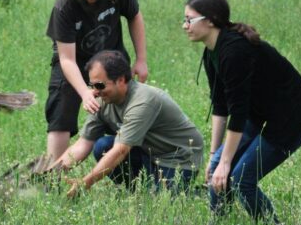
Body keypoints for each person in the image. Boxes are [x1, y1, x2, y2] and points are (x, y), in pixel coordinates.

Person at [183, 0, 301, 225]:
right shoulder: (212, 51)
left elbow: (238, 112)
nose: (184, 25)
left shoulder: (235, 52)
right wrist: (217, 156)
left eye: (189, 19)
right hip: (261, 114)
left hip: (295, 117)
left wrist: (226, 164)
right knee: (217, 167)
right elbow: (220, 105)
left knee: (240, 180)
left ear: (211, 20)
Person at [52, 50, 203, 198]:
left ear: (121, 80)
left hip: (178, 158)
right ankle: (136, 191)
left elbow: (121, 151)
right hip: (147, 152)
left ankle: (198, 194)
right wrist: (51, 175)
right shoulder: (101, 99)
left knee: (162, 205)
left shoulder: (143, 101)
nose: (94, 91)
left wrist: (85, 182)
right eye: (91, 85)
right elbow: (83, 144)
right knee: (103, 146)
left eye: (99, 85)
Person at [45, 0, 148, 161]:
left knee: (122, 108)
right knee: (60, 114)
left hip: (109, 56)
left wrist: (141, 59)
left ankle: (132, 164)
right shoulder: (65, 4)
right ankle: (52, 178)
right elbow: (67, 59)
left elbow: (134, 16)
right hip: (73, 60)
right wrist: (84, 92)